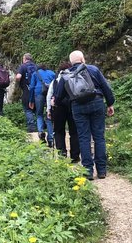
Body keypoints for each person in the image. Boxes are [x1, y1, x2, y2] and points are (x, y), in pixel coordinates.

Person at [54, 50, 115, 180]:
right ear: (83, 59)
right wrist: (110, 103)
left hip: (78, 107)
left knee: (83, 138)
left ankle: (87, 171)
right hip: (97, 102)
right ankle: (102, 170)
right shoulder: (93, 69)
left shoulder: (66, 75)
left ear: (71, 62)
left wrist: (56, 103)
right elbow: (106, 87)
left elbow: (58, 97)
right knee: (99, 137)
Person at [47, 60, 80, 162]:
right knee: (74, 131)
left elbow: (49, 96)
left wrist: (48, 110)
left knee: (59, 131)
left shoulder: (55, 81)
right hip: (72, 106)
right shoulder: (74, 79)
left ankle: (62, 155)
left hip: (58, 107)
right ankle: (75, 156)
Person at [29, 63, 56, 146]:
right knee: (49, 115)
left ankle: (41, 133)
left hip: (38, 94)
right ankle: (50, 138)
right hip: (50, 94)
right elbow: (55, 85)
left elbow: (32, 87)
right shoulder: (52, 73)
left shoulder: (35, 73)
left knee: (39, 114)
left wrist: (31, 100)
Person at [15, 53, 37, 133]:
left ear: (24, 59)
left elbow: (18, 77)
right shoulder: (36, 66)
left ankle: (31, 128)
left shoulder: (23, 66)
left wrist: (17, 81)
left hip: (27, 90)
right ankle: (41, 126)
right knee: (37, 109)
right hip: (37, 91)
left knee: (28, 110)